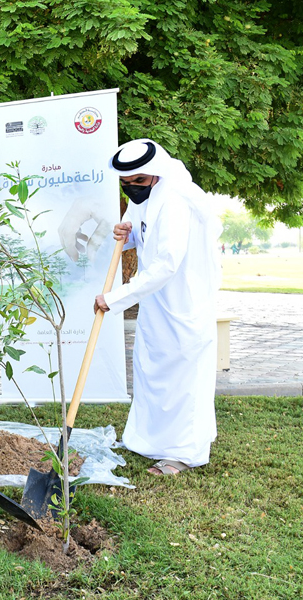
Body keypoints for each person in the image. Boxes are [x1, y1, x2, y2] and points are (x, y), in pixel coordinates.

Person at [94, 139, 222, 476]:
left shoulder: (177, 200)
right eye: (126, 184)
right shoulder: (146, 196)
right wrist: (126, 233)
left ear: (156, 173)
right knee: (152, 371)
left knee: (183, 378)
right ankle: (149, 441)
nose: (133, 188)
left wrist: (116, 299)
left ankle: (184, 453)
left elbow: (167, 263)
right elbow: (142, 235)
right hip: (157, 305)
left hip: (184, 304)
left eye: (139, 181)